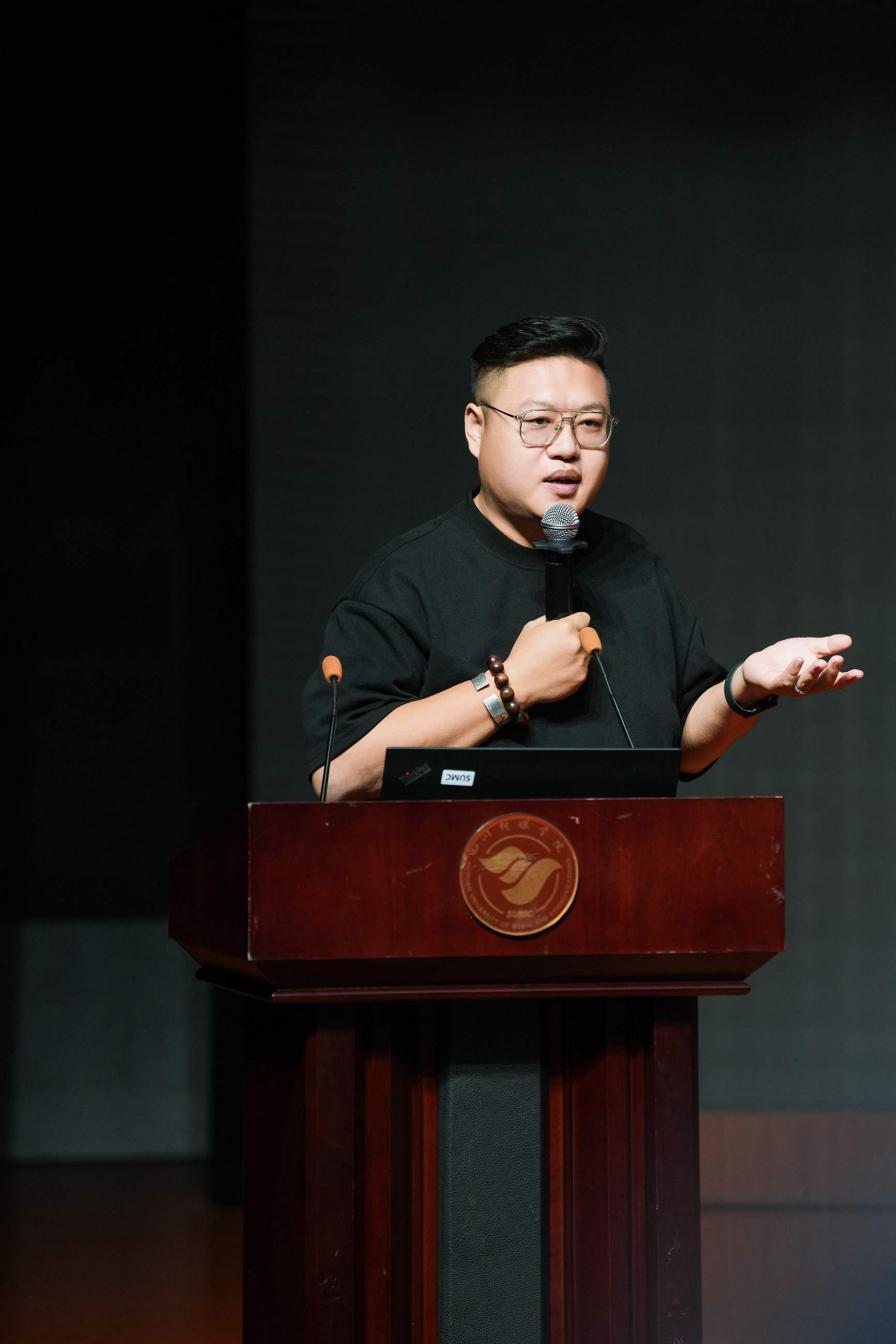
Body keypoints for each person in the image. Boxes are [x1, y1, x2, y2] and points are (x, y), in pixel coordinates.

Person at [302, 316, 863, 800]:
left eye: (590, 424)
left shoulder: (631, 562)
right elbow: (340, 778)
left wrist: (747, 686)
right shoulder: (406, 578)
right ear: (476, 428)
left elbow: (683, 752)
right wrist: (512, 684)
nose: (567, 447)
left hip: (623, 874)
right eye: (538, 422)